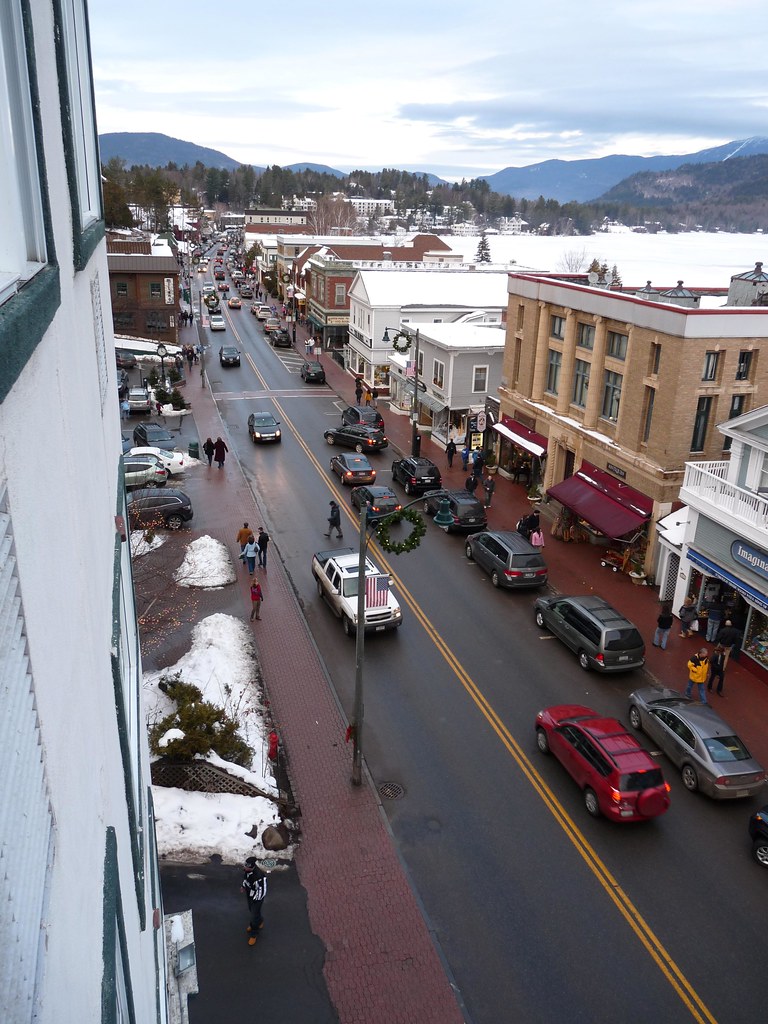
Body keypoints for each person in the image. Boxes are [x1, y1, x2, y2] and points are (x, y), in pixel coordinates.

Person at [241, 857, 267, 945]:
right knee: (252, 911)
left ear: (252, 867)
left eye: (247, 867)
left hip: (256, 899)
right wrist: (244, 886)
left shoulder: (259, 877)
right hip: (250, 895)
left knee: (254, 915)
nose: (245, 868)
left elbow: (262, 890)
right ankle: (260, 921)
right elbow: (246, 880)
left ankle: (254, 934)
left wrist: (255, 900)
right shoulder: (247, 871)